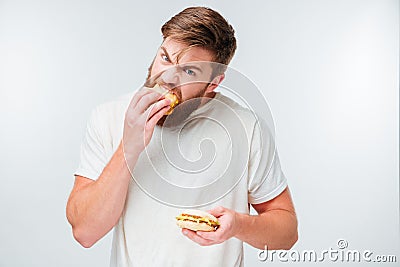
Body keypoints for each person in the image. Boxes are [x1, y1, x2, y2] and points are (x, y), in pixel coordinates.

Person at [66, 6, 298, 267]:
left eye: (189, 72)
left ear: (214, 83)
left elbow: (287, 233)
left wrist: (238, 226)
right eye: (165, 58)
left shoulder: (246, 127)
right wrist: (128, 148)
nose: (167, 78)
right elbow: (84, 232)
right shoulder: (108, 117)